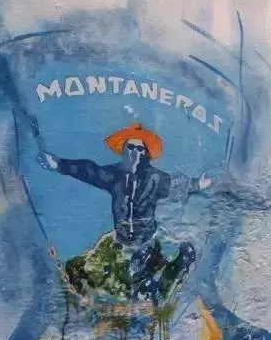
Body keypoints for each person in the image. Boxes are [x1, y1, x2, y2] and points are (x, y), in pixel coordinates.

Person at [37, 122, 211, 305]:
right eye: (131, 147)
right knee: (87, 271)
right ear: (123, 150)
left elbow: (177, 184)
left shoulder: (155, 178)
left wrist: (198, 184)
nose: (135, 152)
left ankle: (160, 290)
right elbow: (90, 171)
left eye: (140, 149)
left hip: (147, 240)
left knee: (169, 263)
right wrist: (58, 164)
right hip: (121, 241)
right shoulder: (114, 175)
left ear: (146, 153)